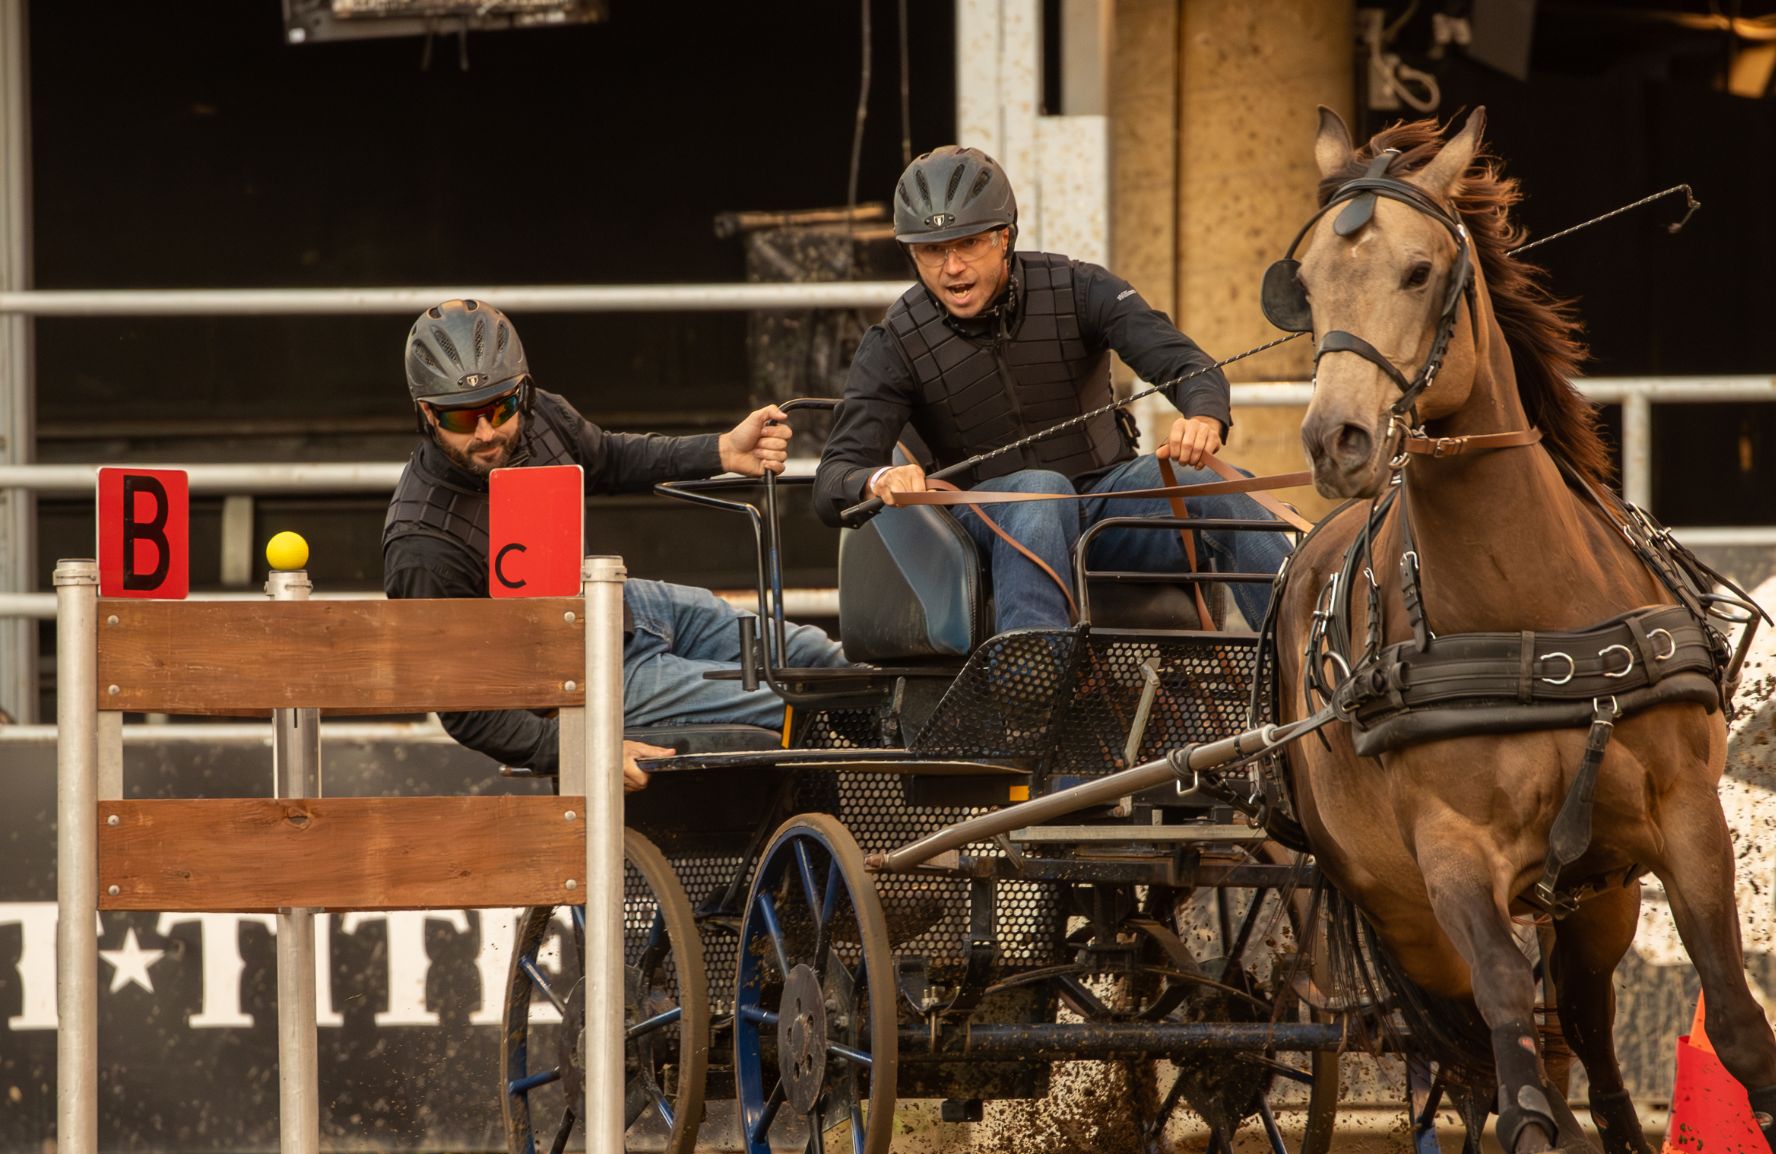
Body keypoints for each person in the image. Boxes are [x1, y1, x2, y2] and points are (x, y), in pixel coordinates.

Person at [813, 145, 1288, 633]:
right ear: (913, 253)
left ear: (1004, 238)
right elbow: (833, 480)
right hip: (986, 526)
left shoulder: (1081, 287)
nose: (951, 267)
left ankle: (1304, 669)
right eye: (932, 251)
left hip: (1104, 504)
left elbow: (1188, 365)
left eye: (969, 244)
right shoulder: (893, 342)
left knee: (1225, 489)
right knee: (1040, 493)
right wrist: (876, 481)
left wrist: (1203, 415)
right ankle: (1029, 690)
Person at [383, 298, 844, 790]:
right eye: (460, 418)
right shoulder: (422, 544)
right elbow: (466, 712)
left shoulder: (541, 416)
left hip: (620, 608)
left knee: (819, 658)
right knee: (792, 697)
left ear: (523, 389)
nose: (487, 432)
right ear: (427, 414)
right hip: (569, 673)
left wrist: (722, 450)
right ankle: (827, 848)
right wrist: (582, 749)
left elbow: (609, 458)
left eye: (501, 407)